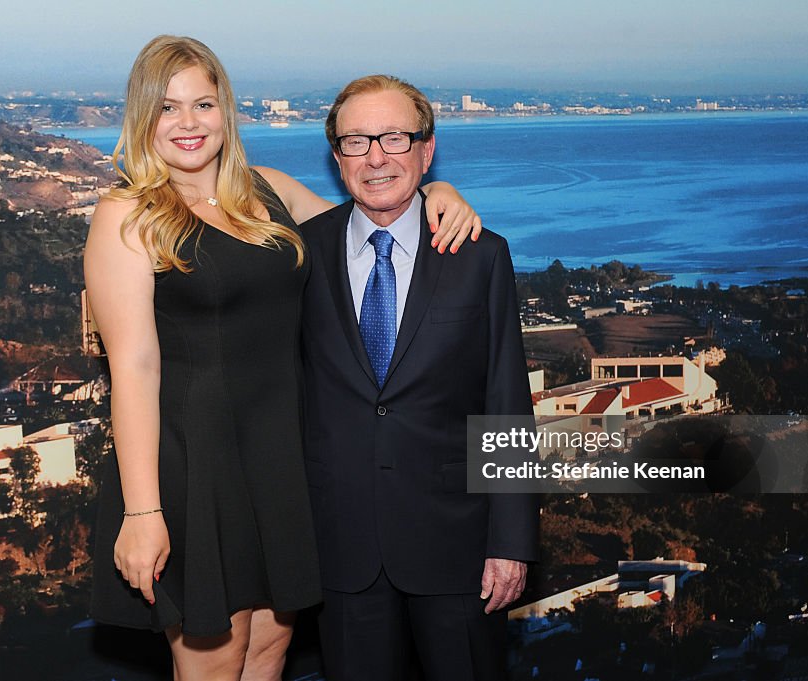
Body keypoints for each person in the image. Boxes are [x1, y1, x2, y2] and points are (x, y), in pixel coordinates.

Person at [85, 37, 481, 681]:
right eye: (168, 108)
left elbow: (374, 224)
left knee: (269, 651)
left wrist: (439, 192)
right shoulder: (127, 216)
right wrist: (142, 512)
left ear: (226, 111)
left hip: (280, 462)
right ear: (142, 119)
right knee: (216, 659)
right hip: (194, 468)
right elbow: (133, 368)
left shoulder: (267, 191)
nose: (189, 123)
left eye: (203, 103)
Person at [299, 75, 540, 681]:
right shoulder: (299, 255)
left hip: (459, 551)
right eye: (356, 141)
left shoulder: (480, 256)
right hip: (340, 551)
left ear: (426, 150)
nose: (376, 156)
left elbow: (505, 402)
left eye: (394, 137)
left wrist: (510, 542)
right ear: (337, 157)